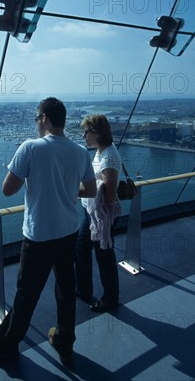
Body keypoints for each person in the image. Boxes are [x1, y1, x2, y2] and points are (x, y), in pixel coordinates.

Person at [0, 97, 96, 366]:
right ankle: (64, 340)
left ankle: (4, 347)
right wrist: (65, 190)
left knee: (26, 294)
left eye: (37, 118)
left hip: (40, 235)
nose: (37, 123)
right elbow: (91, 190)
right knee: (66, 289)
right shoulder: (80, 151)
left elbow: (8, 189)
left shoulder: (30, 147)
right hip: (69, 231)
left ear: (44, 118)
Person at [75, 114, 122, 313]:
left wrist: (101, 215)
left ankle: (110, 298)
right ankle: (84, 290)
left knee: (104, 256)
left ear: (97, 132)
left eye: (86, 131)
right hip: (91, 214)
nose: (83, 136)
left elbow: (109, 194)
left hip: (101, 217)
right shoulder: (100, 152)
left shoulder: (109, 156)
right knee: (81, 250)